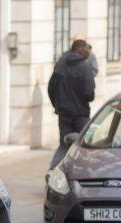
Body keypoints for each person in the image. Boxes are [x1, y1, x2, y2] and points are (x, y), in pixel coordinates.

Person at [47, 39, 95, 169]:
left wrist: (57, 105)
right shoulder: (85, 67)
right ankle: (86, 172)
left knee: (64, 145)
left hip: (64, 113)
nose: (89, 51)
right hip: (81, 114)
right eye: (87, 49)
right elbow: (89, 94)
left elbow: (51, 88)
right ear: (81, 49)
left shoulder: (61, 64)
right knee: (85, 145)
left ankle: (52, 173)